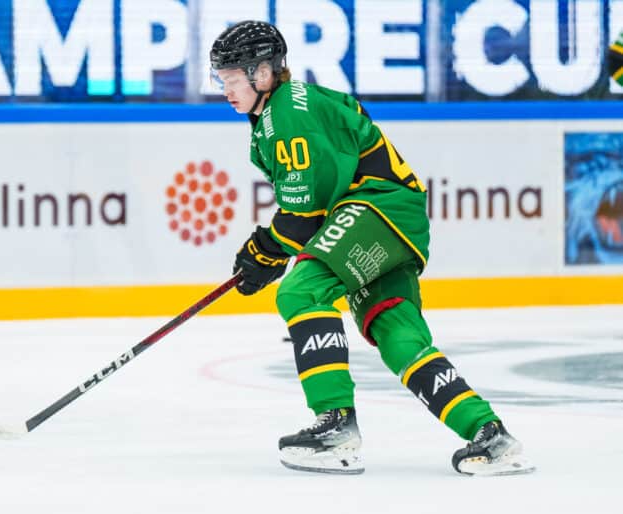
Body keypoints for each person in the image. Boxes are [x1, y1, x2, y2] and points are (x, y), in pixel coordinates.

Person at [210, 20, 535, 476]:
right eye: (220, 78)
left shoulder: (287, 113)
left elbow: (307, 213)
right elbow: (316, 205)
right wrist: (268, 251)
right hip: (390, 221)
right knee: (397, 334)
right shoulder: (284, 111)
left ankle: (335, 425)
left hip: (377, 210)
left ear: (262, 73)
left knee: (301, 291)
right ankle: (489, 433)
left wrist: (264, 250)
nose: (225, 89)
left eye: (231, 78)